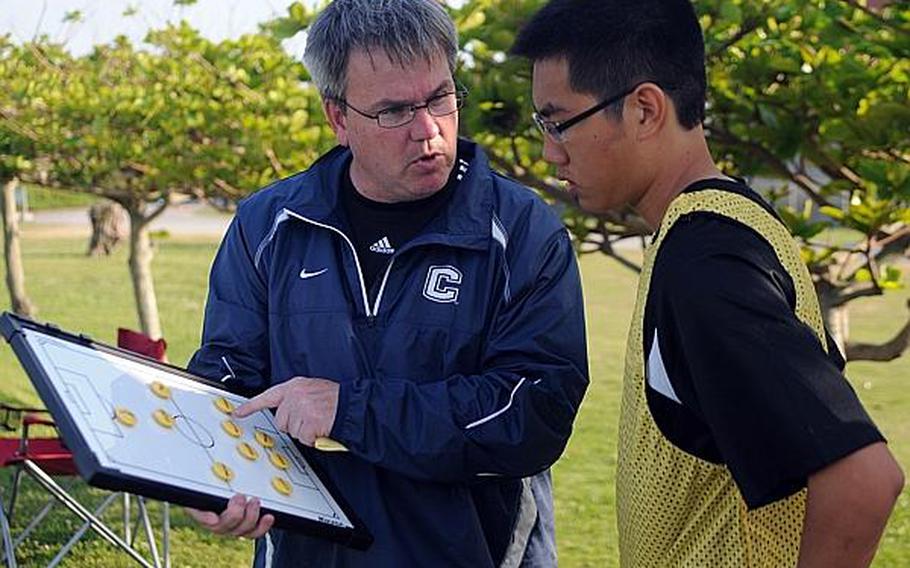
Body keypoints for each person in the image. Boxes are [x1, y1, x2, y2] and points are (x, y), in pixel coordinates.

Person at [185, 0, 589, 566]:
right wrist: (208, 479)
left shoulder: (522, 231)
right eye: (395, 110)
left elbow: (534, 413)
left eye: (440, 97)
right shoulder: (267, 226)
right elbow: (227, 379)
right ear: (339, 118)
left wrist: (348, 411)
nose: (428, 130)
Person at [511, 1, 904, 566]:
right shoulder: (723, 224)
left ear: (645, 110)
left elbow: (863, 480)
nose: (550, 152)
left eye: (559, 122)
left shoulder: (704, 262)